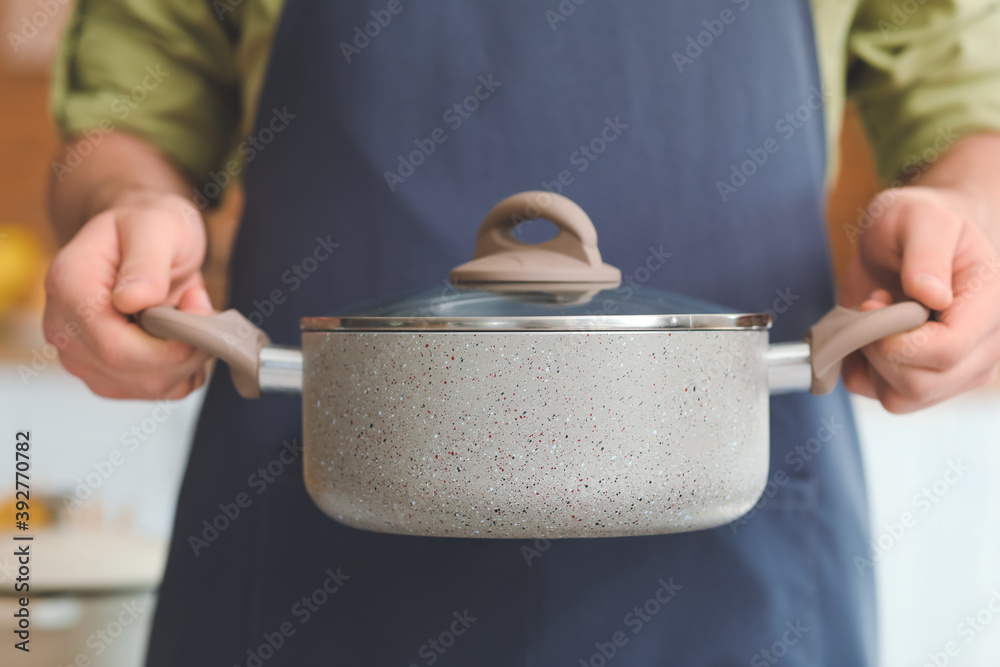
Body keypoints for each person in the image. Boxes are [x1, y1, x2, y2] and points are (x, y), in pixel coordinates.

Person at [44, 1, 1000, 664]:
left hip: (739, 544)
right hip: (311, 529)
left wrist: (967, 215)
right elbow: (118, 117)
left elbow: (972, 101)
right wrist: (126, 202)